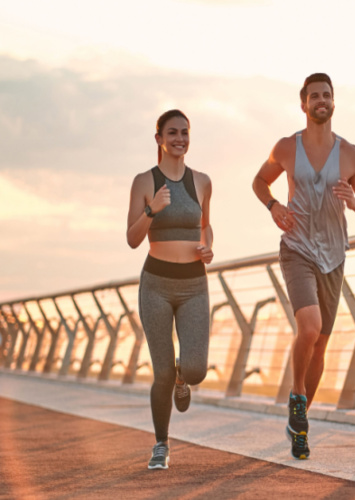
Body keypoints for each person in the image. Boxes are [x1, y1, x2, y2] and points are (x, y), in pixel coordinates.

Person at [253, 73, 355, 460]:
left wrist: (353, 203)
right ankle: (296, 399)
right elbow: (260, 181)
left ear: (333, 103)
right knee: (310, 327)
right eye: (314, 96)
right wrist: (274, 206)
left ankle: (299, 424)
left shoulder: (352, 154)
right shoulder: (287, 147)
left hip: (334, 256)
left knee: (321, 341)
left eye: (327, 95)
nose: (321, 100)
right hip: (297, 249)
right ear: (303, 104)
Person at [126, 109, 214, 469]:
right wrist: (151, 209)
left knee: (195, 370)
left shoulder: (203, 181)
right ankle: (161, 443)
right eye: (172, 132)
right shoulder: (145, 181)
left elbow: (206, 226)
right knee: (161, 373)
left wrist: (208, 247)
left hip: (194, 284)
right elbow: (132, 239)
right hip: (156, 285)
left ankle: (184, 376)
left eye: (185, 133)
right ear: (159, 138)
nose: (180, 139)